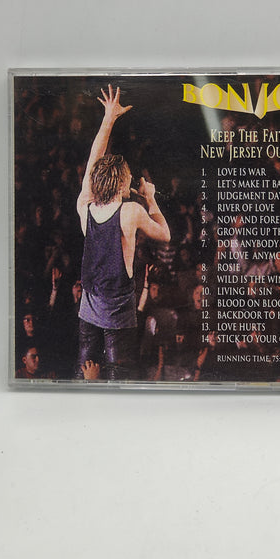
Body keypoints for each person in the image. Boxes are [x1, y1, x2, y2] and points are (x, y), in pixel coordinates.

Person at [76, 85, 171, 378]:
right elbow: (165, 235)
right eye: (128, 177)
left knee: (85, 373)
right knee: (119, 376)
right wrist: (150, 198)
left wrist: (109, 118)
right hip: (118, 316)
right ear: (121, 184)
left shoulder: (84, 206)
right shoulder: (130, 212)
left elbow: (93, 162)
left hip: (88, 311)